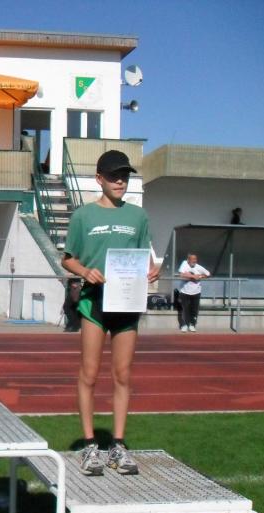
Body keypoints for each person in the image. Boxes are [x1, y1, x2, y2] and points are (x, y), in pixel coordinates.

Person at [61, 150, 159, 476]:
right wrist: (85, 271)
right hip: (94, 303)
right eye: (114, 176)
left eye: (125, 176)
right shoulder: (83, 216)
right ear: (99, 179)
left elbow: (145, 257)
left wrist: (152, 270)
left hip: (126, 304)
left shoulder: (138, 216)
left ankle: (117, 445)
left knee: (123, 375)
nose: (120, 181)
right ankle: (90, 445)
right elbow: (68, 259)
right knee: (89, 374)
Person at [177, 253, 210, 332]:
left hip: (196, 292)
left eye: (195, 259)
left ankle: (192, 324)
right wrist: (193, 276)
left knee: (194, 310)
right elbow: (181, 275)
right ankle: (184, 325)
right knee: (185, 309)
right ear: (188, 260)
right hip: (185, 292)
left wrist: (200, 276)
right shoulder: (184, 263)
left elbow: (208, 274)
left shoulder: (198, 267)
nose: (194, 261)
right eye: (192, 259)